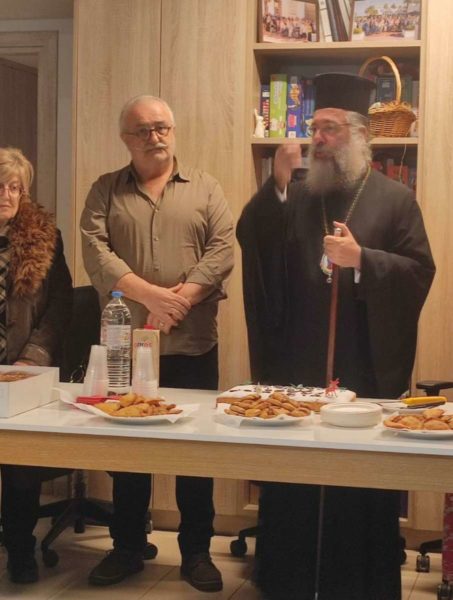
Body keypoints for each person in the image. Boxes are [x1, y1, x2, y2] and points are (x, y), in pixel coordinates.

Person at [237, 73, 435, 600]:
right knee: (296, 480)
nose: (318, 139)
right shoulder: (298, 197)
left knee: (358, 483)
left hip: (363, 365)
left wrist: (363, 259)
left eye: (329, 129)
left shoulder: (395, 200)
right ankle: (288, 583)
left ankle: (358, 585)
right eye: (314, 128)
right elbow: (253, 242)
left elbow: (420, 271)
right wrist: (275, 187)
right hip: (298, 367)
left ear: (359, 134)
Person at [80, 95, 234, 591]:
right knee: (129, 452)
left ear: (173, 130)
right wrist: (149, 296)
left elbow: (222, 250)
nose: (155, 137)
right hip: (126, 346)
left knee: (196, 453)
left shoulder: (206, 187)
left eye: (162, 127)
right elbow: (95, 251)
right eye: (143, 130)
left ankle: (197, 553)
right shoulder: (105, 190)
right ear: (126, 139)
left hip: (192, 343)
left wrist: (178, 302)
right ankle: (127, 547)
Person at [0, 147, 73, 584]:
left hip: (24, 371)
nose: (7, 195)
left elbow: (60, 306)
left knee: (21, 468)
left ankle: (20, 548)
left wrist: (32, 359)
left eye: (15, 187)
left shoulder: (45, 237)